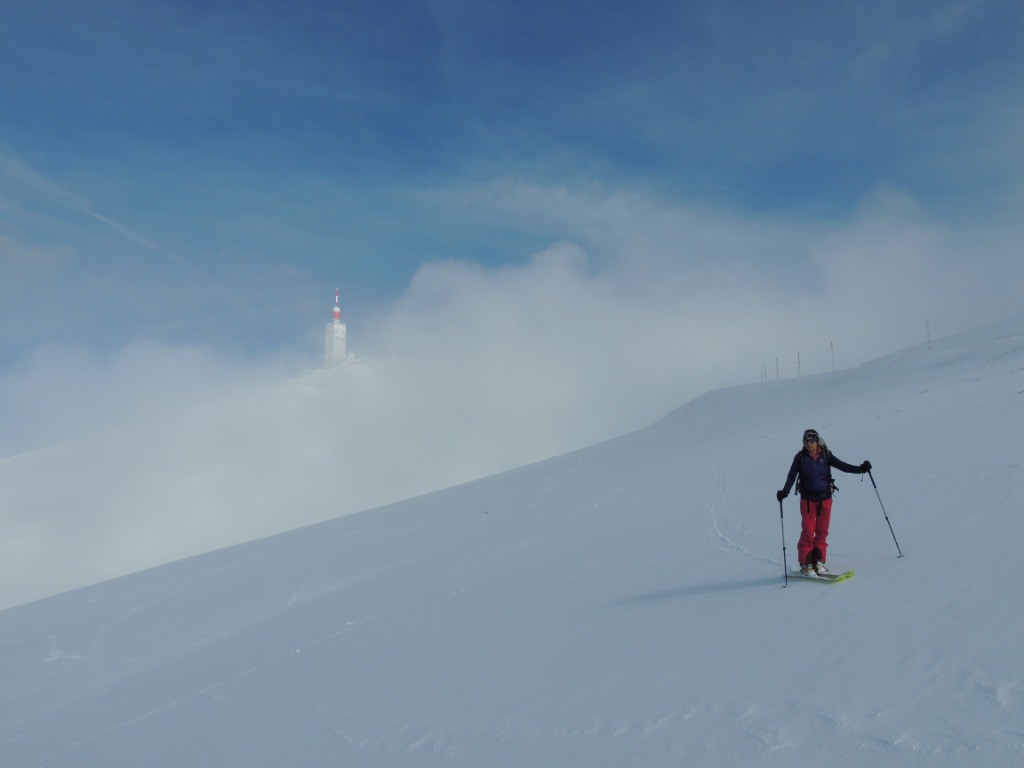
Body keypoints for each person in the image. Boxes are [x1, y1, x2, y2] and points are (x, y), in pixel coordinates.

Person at [776, 429, 871, 576]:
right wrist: (785, 492)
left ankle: (819, 561)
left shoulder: (825, 455)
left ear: (816, 441)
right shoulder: (800, 457)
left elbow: (842, 466)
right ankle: (806, 564)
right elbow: (792, 476)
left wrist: (860, 469)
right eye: (805, 441)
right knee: (808, 531)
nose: (808, 444)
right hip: (807, 500)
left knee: (822, 531)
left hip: (825, 499)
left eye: (811, 441)